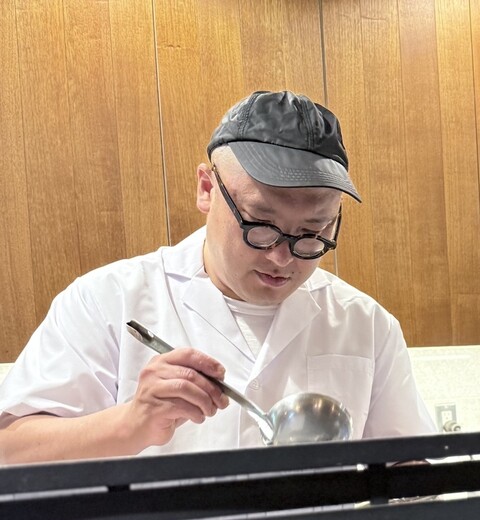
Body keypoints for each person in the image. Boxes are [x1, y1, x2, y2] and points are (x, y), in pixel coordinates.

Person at [0, 90, 435, 464]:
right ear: (207, 189)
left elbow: (411, 464)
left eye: (312, 232)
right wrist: (130, 423)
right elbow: (11, 449)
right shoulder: (109, 300)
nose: (282, 256)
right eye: (260, 224)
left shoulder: (366, 324)